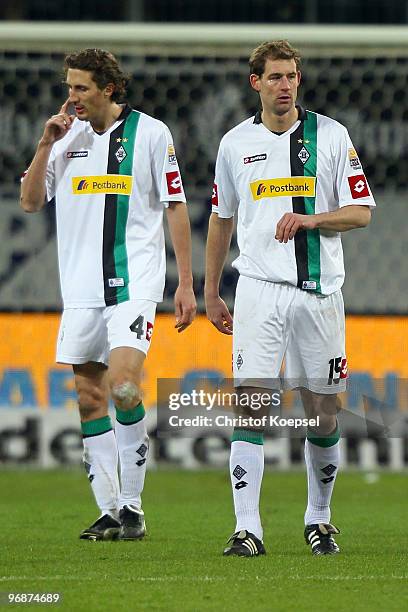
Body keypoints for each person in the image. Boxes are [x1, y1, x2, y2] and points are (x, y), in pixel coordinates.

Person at [205, 40, 375, 557]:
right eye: (275, 77)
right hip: (257, 290)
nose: (285, 85)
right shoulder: (234, 144)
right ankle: (247, 529)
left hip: (320, 293)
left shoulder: (331, 135)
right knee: (251, 407)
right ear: (255, 82)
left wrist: (311, 220)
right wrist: (210, 290)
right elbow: (221, 218)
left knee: (323, 412)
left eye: (292, 76)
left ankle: (318, 518)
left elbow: (362, 211)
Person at [21, 48, 196, 541]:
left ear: (108, 89)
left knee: (122, 384)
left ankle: (134, 506)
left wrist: (184, 283)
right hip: (80, 289)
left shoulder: (151, 133)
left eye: (80, 88)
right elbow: (30, 202)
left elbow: (176, 207)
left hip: (134, 284)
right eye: (68, 86)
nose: (70, 96)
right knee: (89, 396)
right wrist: (43, 145)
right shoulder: (64, 136)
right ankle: (110, 510)